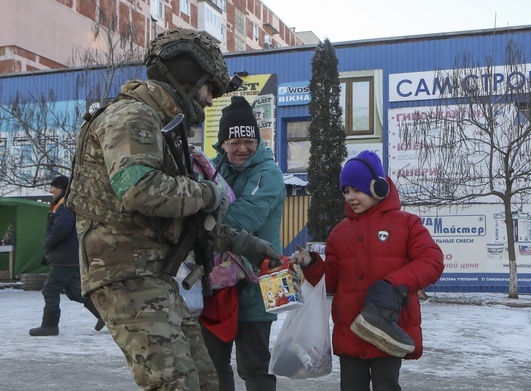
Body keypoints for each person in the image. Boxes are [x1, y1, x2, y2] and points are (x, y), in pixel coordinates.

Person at [64, 28, 280, 391]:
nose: (210, 101)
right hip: (126, 273)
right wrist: (209, 193)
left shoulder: (163, 128)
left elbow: (183, 218)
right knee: (176, 383)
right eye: (209, 88)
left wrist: (242, 243)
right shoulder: (133, 117)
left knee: (206, 380)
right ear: (186, 77)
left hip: (154, 274)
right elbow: (139, 190)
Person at [289, 150, 444, 391]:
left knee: (386, 386)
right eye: (346, 191)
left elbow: (432, 261)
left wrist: (393, 284)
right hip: (350, 331)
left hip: (388, 331)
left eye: (357, 190)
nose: (350, 197)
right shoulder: (339, 233)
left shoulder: (407, 224)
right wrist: (311, 263)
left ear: (378, 188)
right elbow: (332, 283)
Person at [200, 96, 285, 391]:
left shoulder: (269, 173)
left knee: (255, 366)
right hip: (218, 283)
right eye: (234, 142)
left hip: (262, 282)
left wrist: (201, 220)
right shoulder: (211, 171)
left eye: (249, 140)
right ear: (222, 143)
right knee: (213, 363)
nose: (242, 148)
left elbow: (244, 217)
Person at [29, 175, 104, 337]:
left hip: (64, 258)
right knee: (74, 292)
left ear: (61, 189)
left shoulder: (64, 206)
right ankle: (105, 315)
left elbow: (60, 229)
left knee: (50, 289)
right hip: (69, 257)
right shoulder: (65, 204)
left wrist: (47, 246)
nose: (50, 190)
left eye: (53, 187)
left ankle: (49, 326)